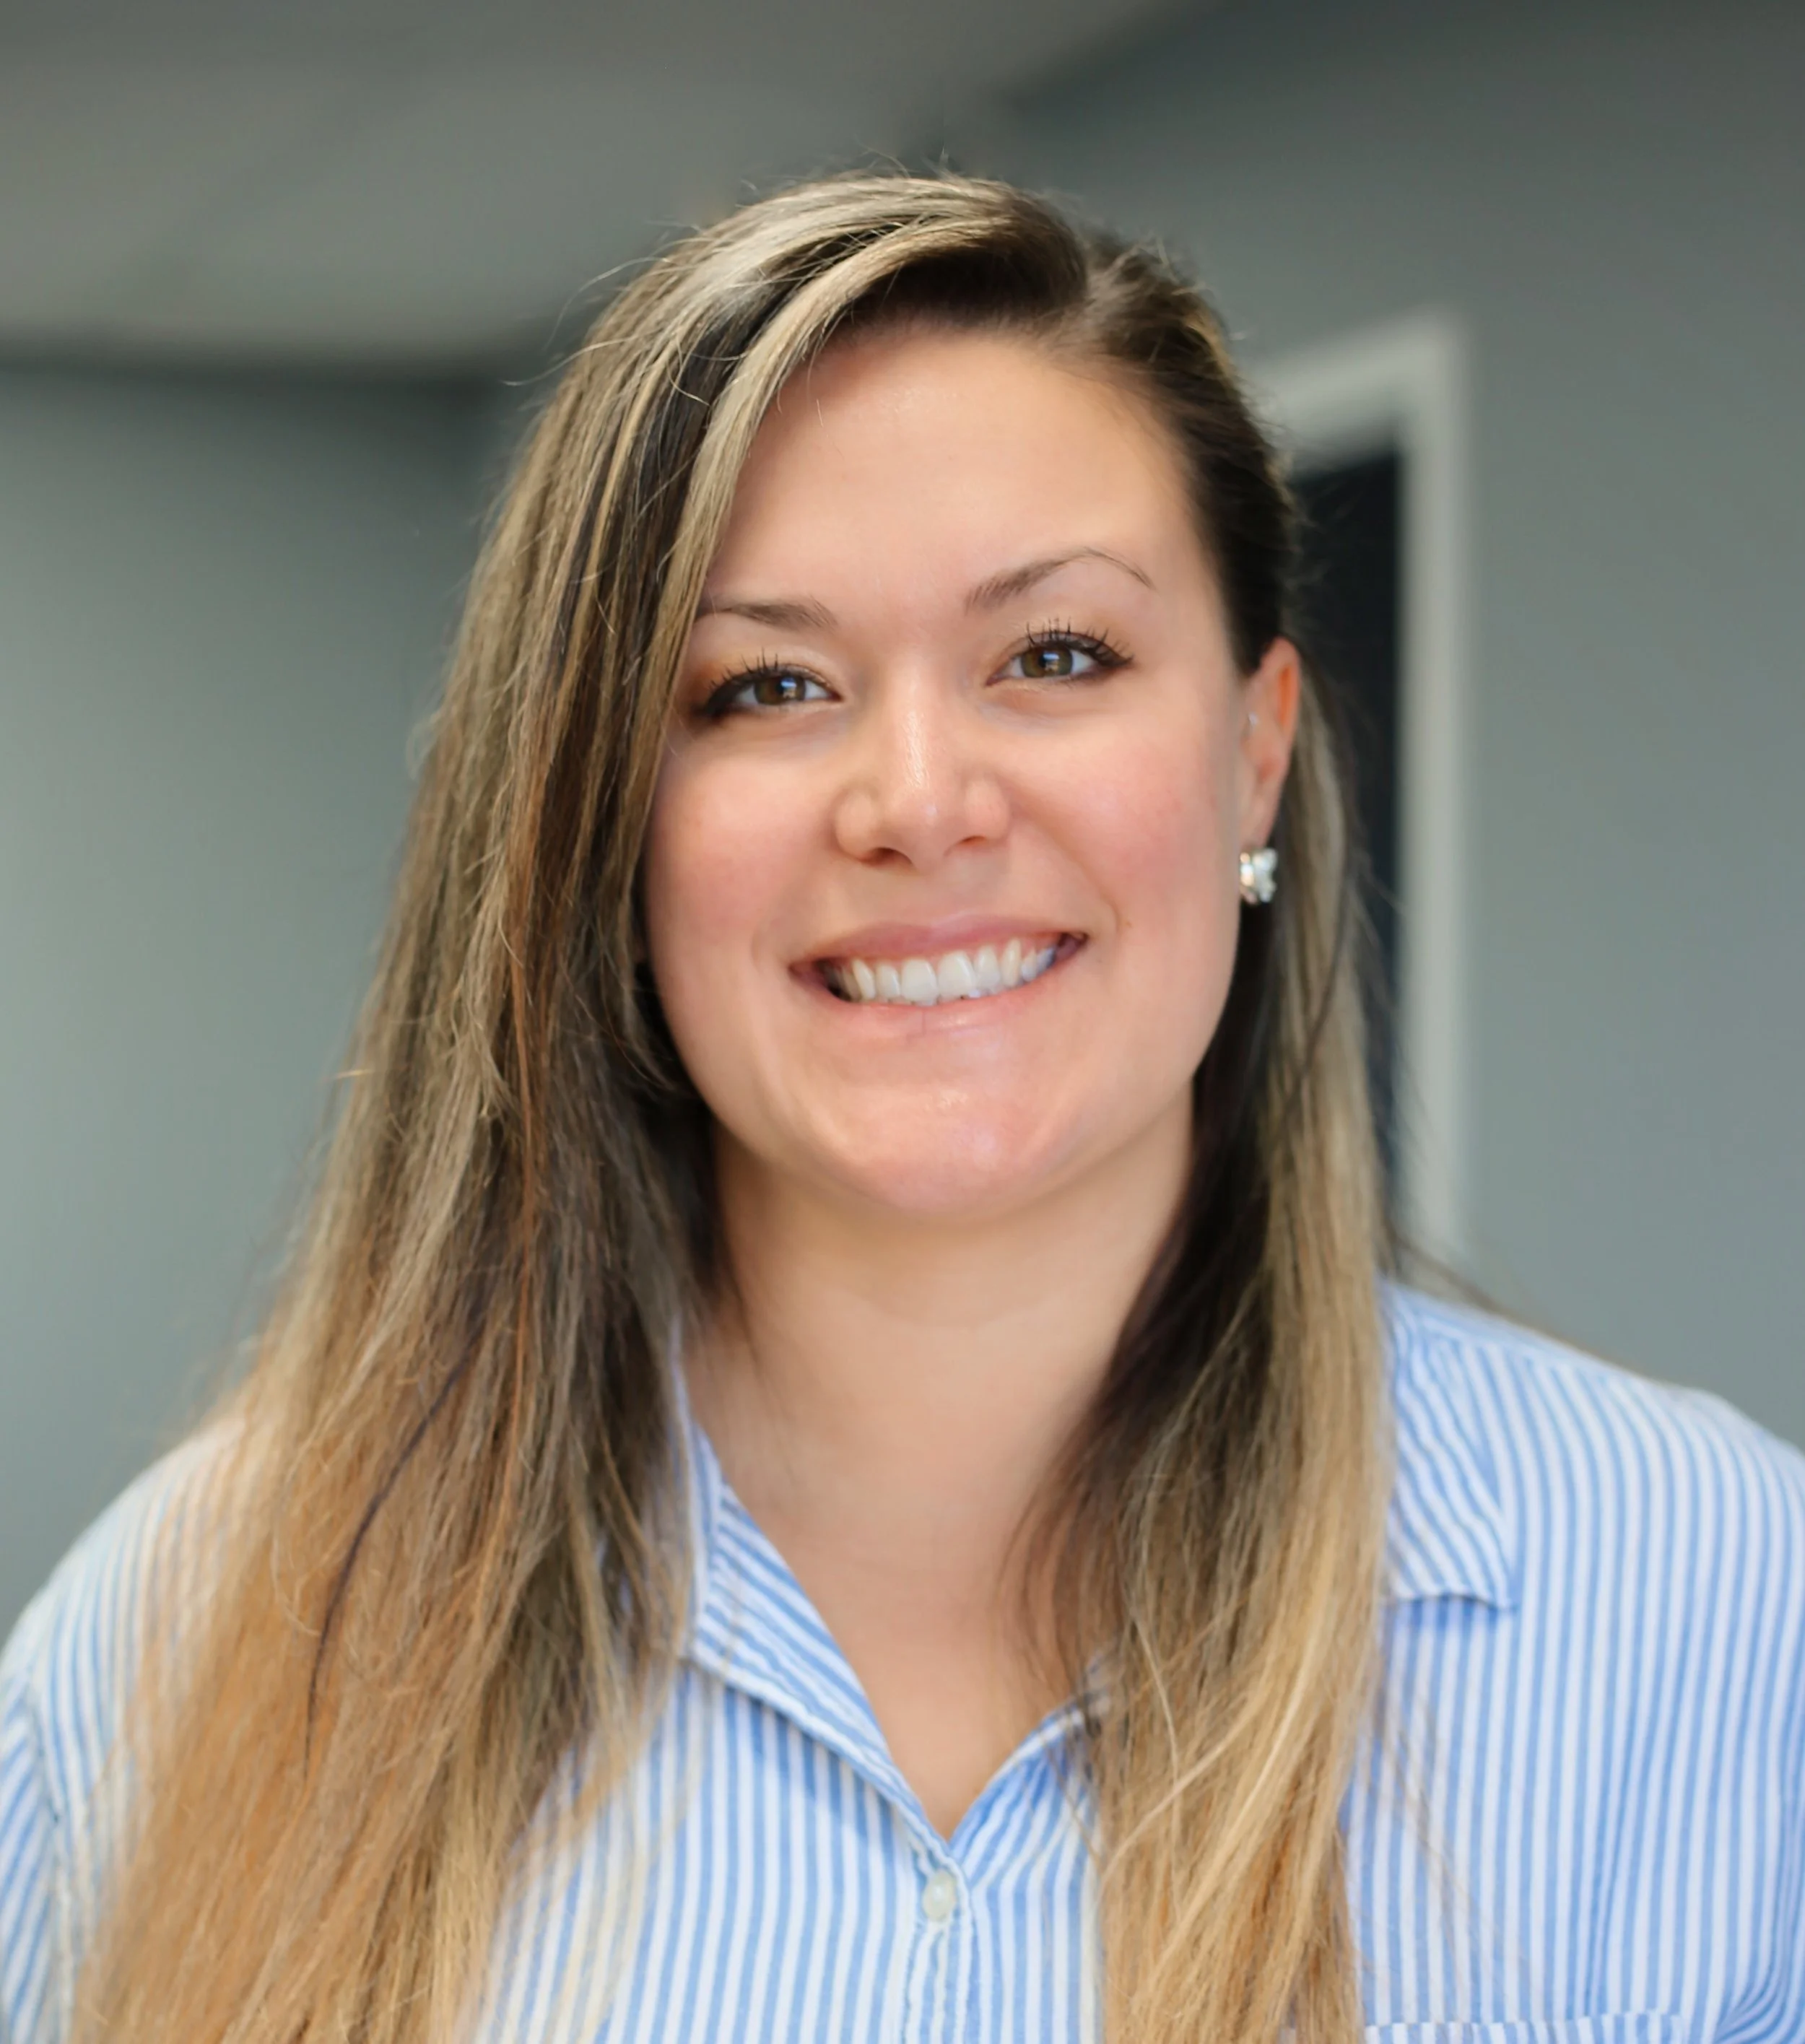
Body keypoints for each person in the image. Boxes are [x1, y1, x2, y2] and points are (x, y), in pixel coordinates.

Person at [0, 171, 1799, 2044]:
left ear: (1252, 752)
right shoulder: (191, 1636)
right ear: (598, 821)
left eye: (1055, 656)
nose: (917, 798)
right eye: (764, 684)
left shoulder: (1711, 1606)